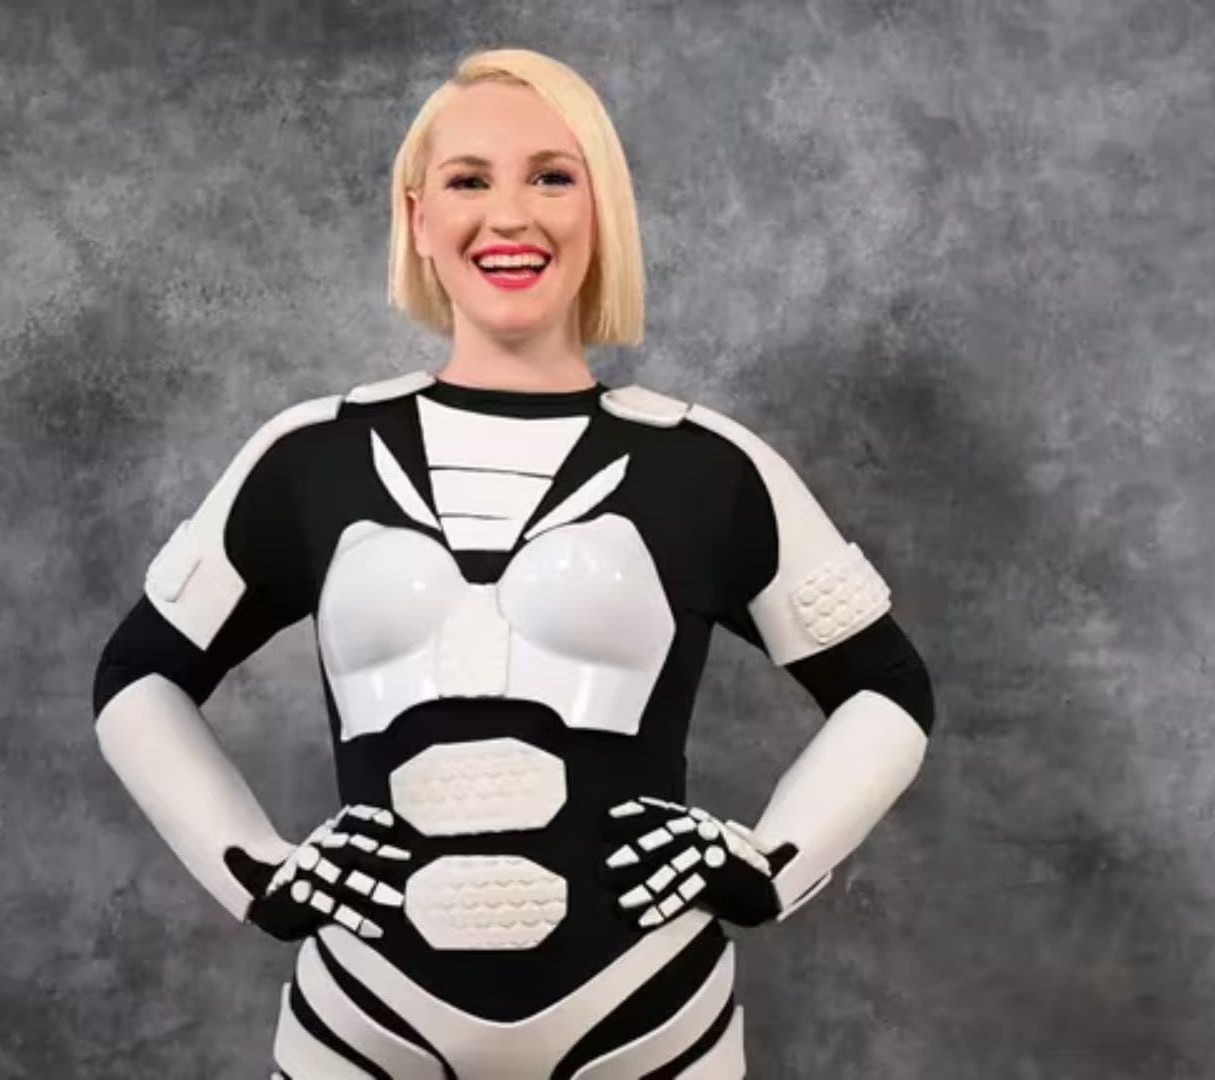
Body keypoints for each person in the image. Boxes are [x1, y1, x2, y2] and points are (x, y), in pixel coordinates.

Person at [90, 47, 936, 1079]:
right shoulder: (309, 457)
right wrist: (255, 870)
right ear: (417, 218)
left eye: (551, 176)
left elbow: (886, 688)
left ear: (602, 209)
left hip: (653, 1020)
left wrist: (769, 863)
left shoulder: (710, 466)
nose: (509, 216)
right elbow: (138, 674)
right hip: (360, 1023)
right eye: (468, 180)